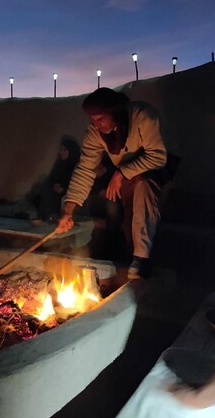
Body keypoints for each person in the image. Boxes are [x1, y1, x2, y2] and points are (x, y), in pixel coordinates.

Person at [57, 87, 177, 279]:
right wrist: (68, 211)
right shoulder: (94, 134)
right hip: (126, 172)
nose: (96, 125)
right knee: (124, 213)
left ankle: (142, 258)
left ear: (115, 112)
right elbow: (85, 170)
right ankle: (130, 257)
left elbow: (157, 156)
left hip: (156, 168)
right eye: (92, 120)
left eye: (100, 119)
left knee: (143, 187)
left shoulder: (143, 116)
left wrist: (120, 173)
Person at [28, 136, 80, 222]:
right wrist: (53, 185)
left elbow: (76, 184)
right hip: (55, 190)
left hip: (68, 192)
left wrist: (63, 189)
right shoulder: (59, 163)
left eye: (64, 150)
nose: (61, 152)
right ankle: (44, 217)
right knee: (42, 189)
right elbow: (51, 178)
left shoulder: (76, 166)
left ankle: (51, 217)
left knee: (51, 195)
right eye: (61, 149)